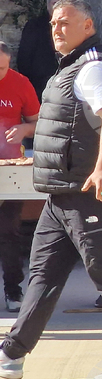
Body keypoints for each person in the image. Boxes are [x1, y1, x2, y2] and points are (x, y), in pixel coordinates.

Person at [0, 0, 102, 379]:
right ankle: (12, 355)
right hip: (61, 194)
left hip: (88, 191)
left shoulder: (95, 68)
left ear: (88, 26)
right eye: (54, 23)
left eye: (65, 22)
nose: (56, 29)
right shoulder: (69, 68)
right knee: (42, 273)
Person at [0, 42, 40, 313]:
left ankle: (13, 290)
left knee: (9, 231)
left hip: (10, 168)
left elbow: (40, 123)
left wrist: (25, 128)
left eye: (1, 68)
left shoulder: (21, 83)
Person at [16, 0, 70, 101]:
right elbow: (24, 58)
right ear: (48, 5)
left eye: (63, 3)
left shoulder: (75, 27)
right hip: (39, 86)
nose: (58, 7)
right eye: (55, 3)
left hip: (68, 85)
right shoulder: (34, 26)